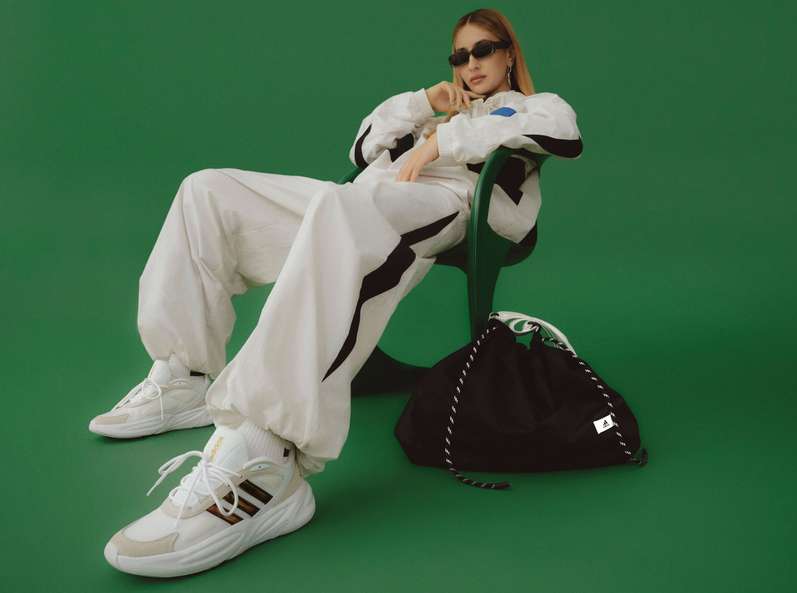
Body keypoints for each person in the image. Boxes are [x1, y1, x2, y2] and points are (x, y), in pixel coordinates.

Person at [91, 8, 583, 578]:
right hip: (360, 198)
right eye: (459, 55)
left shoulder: (533, 107)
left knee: (341, 209)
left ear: (509, 54)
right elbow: (363, 149)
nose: (470, 63)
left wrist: (440, 144)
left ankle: (267, 458)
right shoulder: (436, 111)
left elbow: (564, 133)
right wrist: (423, 103)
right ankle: (187, 375)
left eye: (483, 50)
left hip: (448, 202)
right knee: (208, 191)